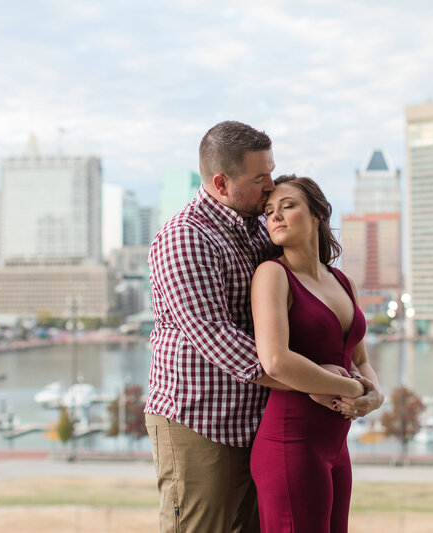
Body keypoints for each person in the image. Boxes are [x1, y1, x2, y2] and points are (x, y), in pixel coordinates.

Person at [144, 122, 381, 533]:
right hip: (202, 420)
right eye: (260, 179)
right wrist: (323, 384)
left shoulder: (257, 228)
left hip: (258, 417)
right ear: (221, 182)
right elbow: (215, 335)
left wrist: (356, 386)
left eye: (272, 173)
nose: (270, 187)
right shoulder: (185, 238)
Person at [250, 175, 384, 533]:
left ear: (317, 214)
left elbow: (359, 360)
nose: (275, 216)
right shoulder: (272, 274)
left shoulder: (343, 281)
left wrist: (375, 394)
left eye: (287, 206)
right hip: (290, 444)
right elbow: (275, 360)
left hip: (336, 446)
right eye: (268, 211)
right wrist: (354, 391)